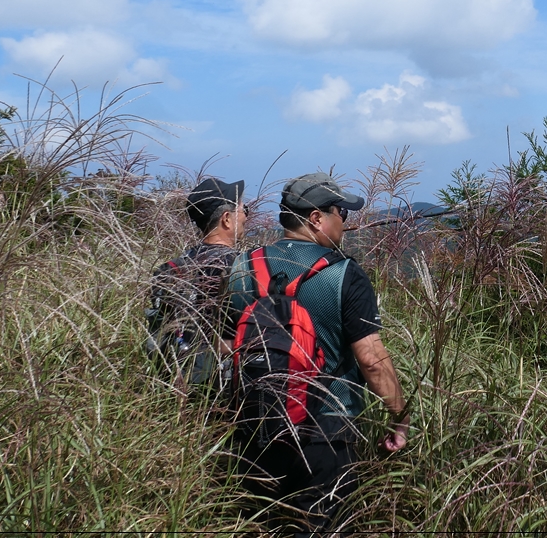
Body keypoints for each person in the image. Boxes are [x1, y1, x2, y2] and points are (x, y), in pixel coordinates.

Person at [224, 172, 408, 534]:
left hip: (255, 425)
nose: (345, 221)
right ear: (316, 218)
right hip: (326, 430)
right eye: (341, 212)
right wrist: (399, 416)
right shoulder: (344, 273)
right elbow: (371, 359)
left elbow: (228, 346)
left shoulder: (242, 266)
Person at [147, 177, 249, 392]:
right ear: (227, 219)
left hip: (173, 380)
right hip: (223, 386)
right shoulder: (241, 267)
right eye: (243, 209)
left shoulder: (172, 268)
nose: (246, 217)